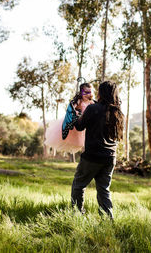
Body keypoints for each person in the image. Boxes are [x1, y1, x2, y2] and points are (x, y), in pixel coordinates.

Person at [71, 81, 124, 219]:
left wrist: (76, 114)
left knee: (79, 185)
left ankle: (77, 215)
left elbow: (80, 126)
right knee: (103, 190)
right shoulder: (117, 112)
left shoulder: (93, 108)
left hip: (92, 156)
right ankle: (108, 219)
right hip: (110, 157)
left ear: (101, 93)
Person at [44, 83, 94, 154]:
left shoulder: (91, 102)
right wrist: (76, 112)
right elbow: (72, 109)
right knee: (70, 138)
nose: (87, 94)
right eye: (85, 92)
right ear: (81, 92)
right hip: (75, 122)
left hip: (84, 124)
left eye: (89, 92)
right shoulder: (79, 101)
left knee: (82, 140)